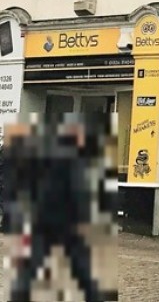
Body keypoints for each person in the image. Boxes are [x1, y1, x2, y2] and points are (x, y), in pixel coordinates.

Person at [2, 114, 116, 301]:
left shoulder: (44, 152)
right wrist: (83, 218)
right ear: (75, 133)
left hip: (42, 217)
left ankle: (17, 297)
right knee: (81, 267)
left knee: (30, 267)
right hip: (67, 220)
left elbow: (29, 183)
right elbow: (78, 188)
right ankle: (94, 298)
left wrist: (31, 208)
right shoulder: (74, 156)